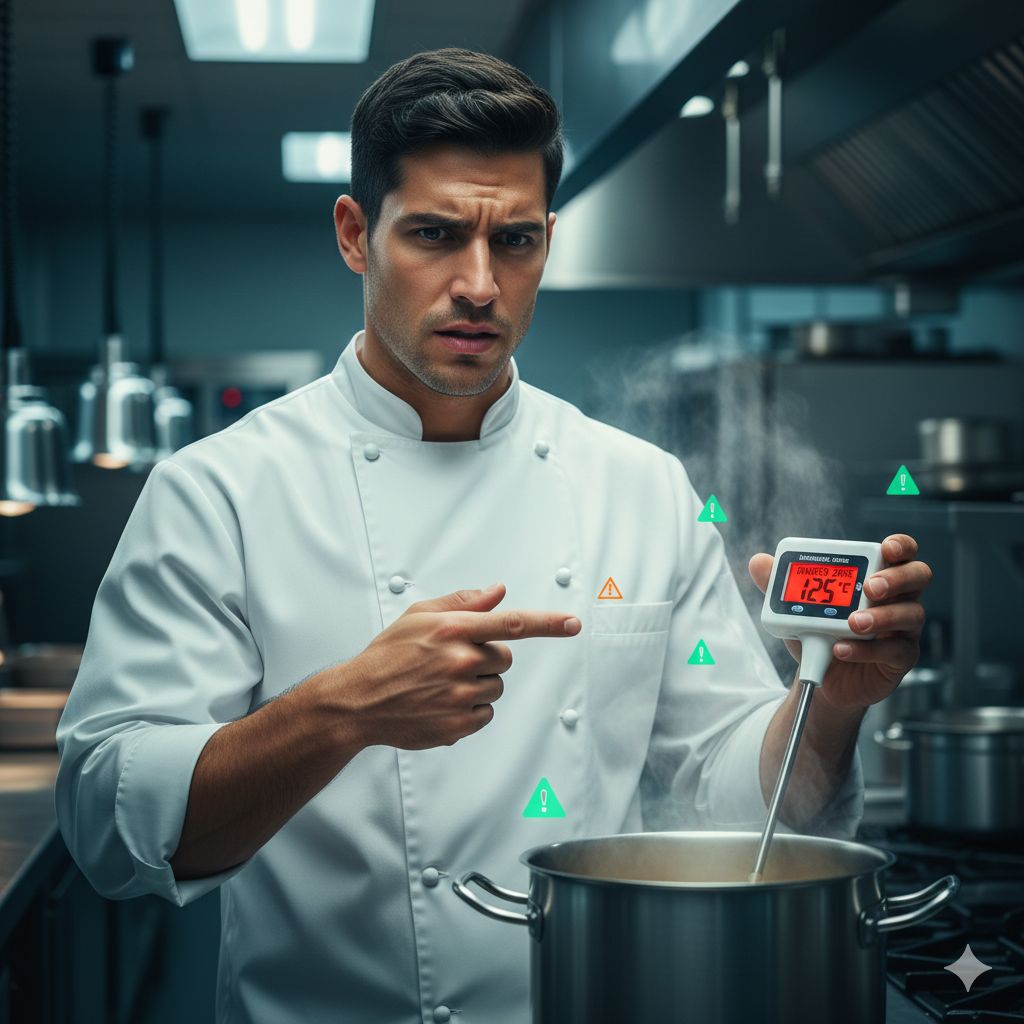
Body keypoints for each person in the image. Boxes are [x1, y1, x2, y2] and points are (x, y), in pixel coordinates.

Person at [55, 47, 934, 1024]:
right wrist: (338, 710)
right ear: (355, 233)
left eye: (513, 241)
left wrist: (832, 702)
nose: (479, 284)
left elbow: (725, 803)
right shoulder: (219, 489)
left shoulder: (637, 486)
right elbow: (107, 816)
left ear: (547, 242)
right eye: (434, 234)